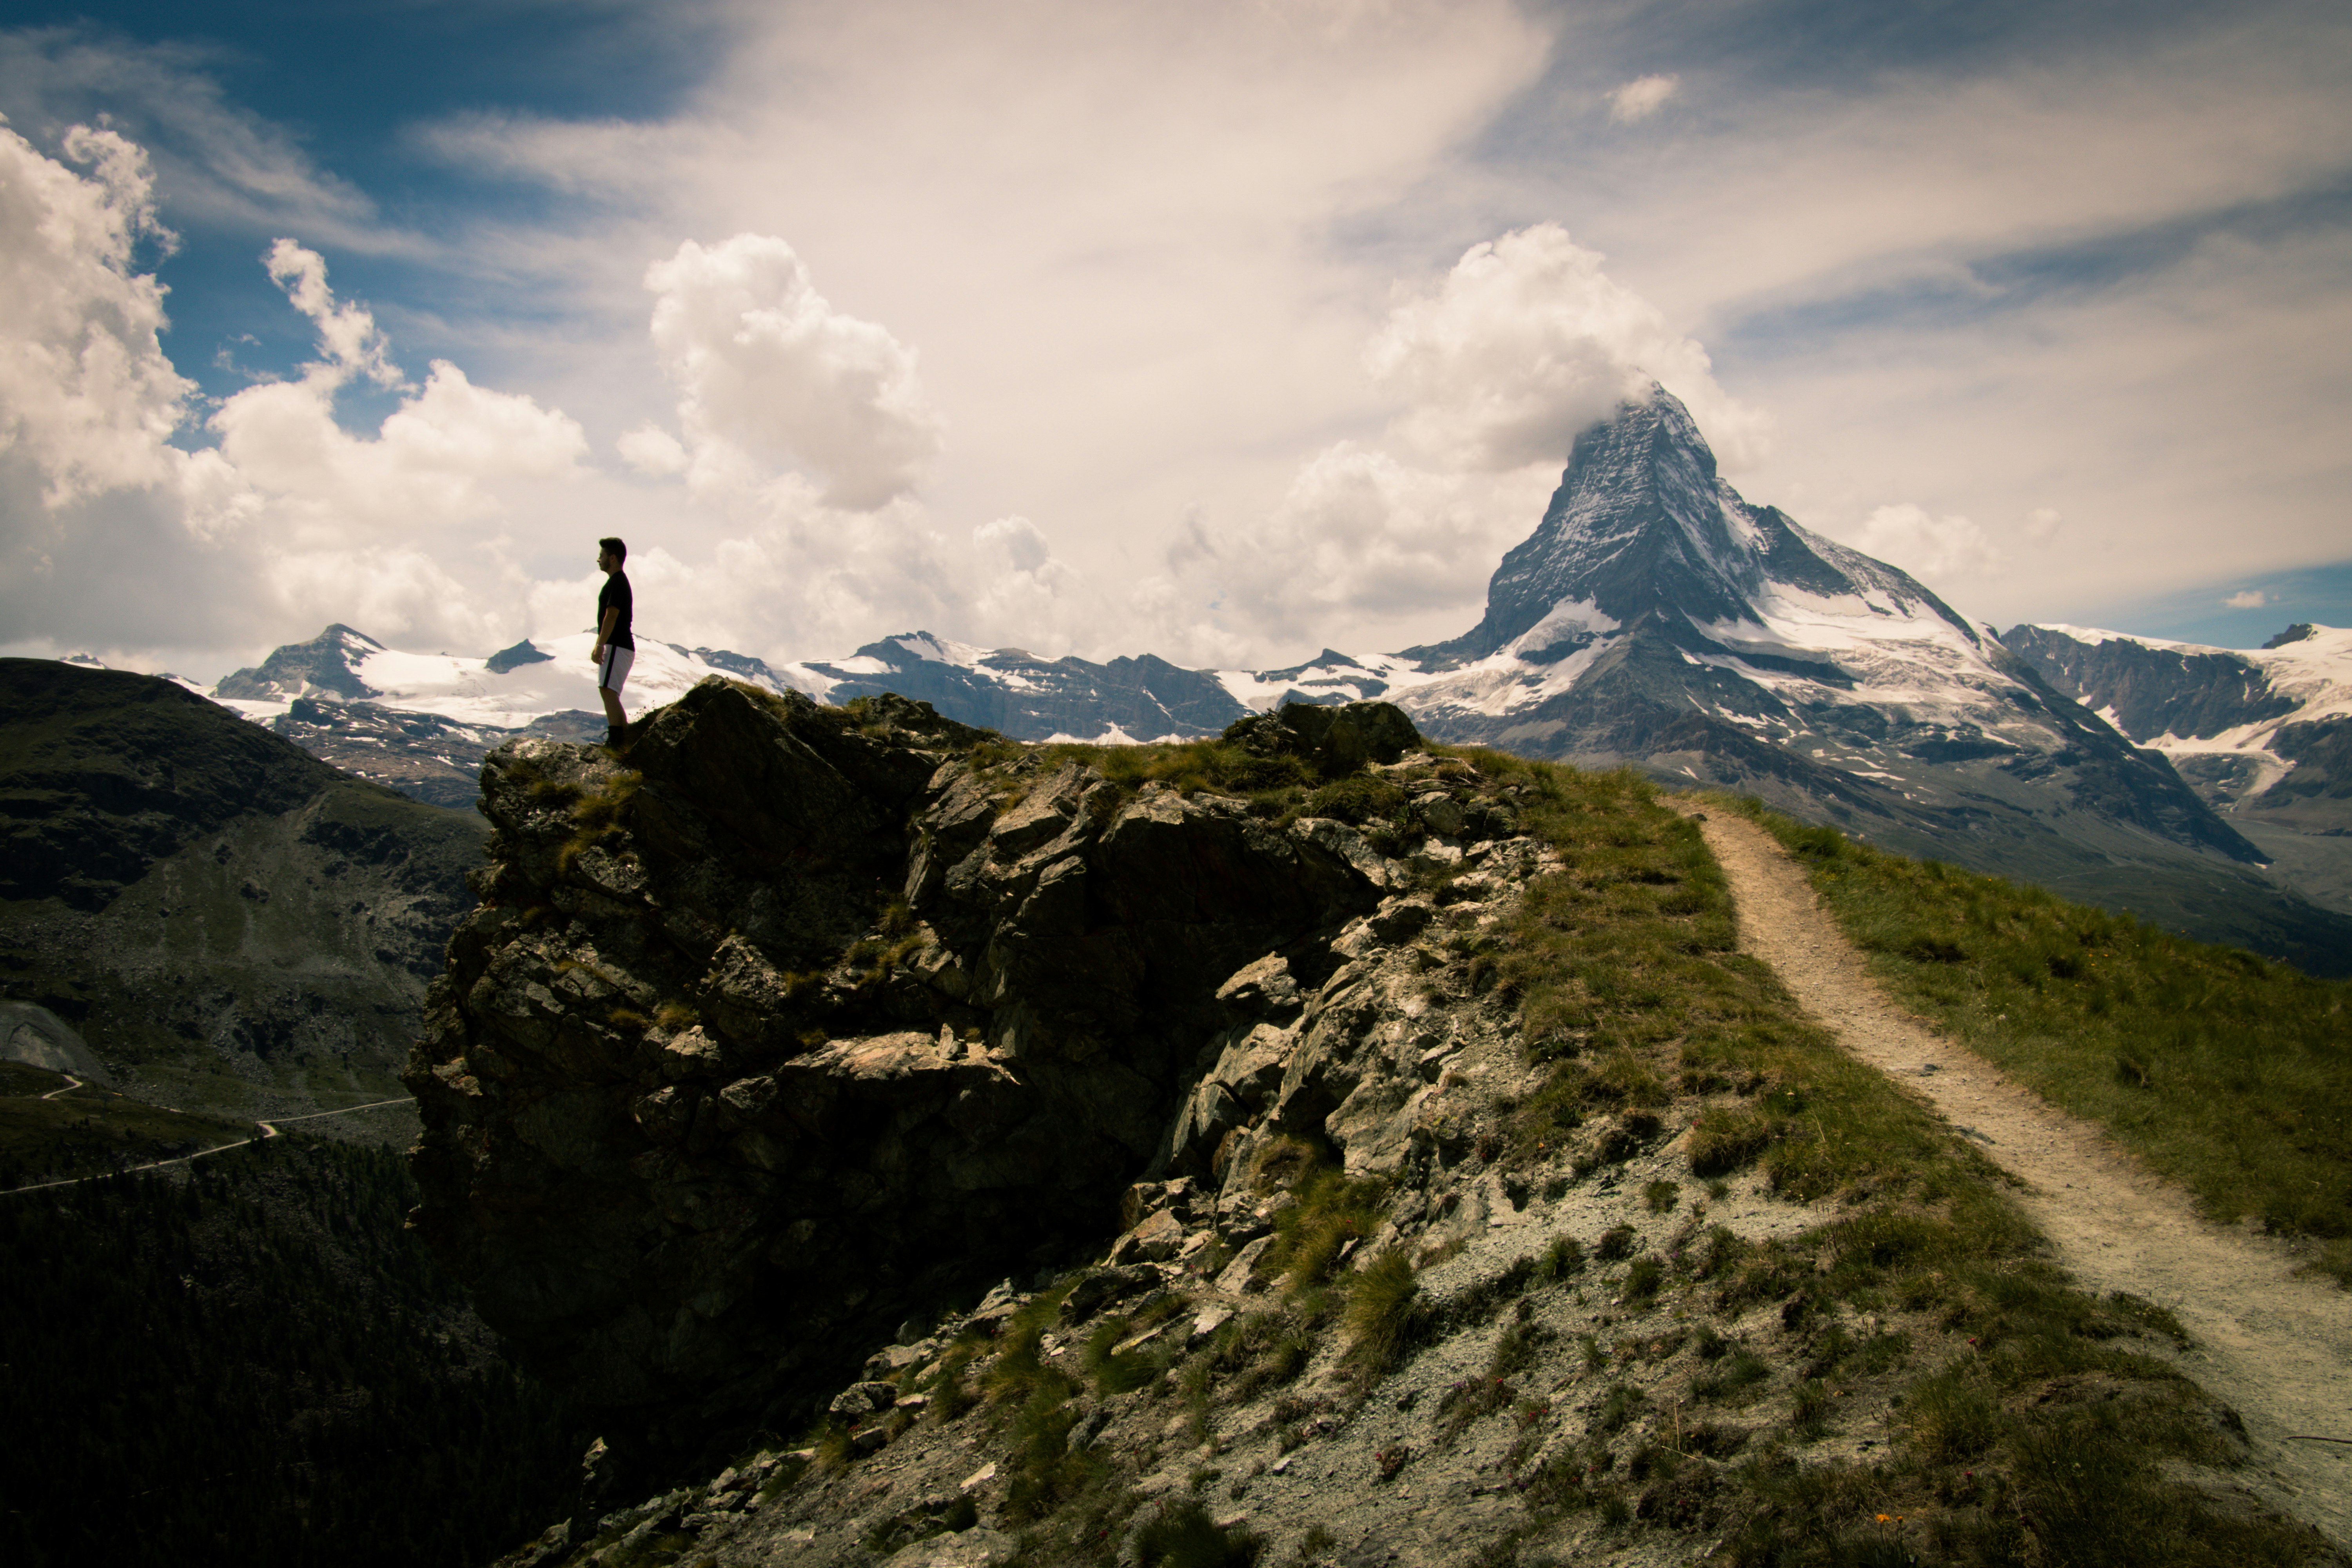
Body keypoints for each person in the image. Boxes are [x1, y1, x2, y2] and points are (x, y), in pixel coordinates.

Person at [590, 537, 634, 746]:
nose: (599, 560)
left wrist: (600, 645)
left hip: (617, 645)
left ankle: (618, 741)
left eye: (602, 556)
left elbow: (612, 615)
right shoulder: (617, 582)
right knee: (608, 690)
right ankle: (621, 739)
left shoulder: (618, 582)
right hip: (619, 646)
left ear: (613, 558)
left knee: (608, 690)